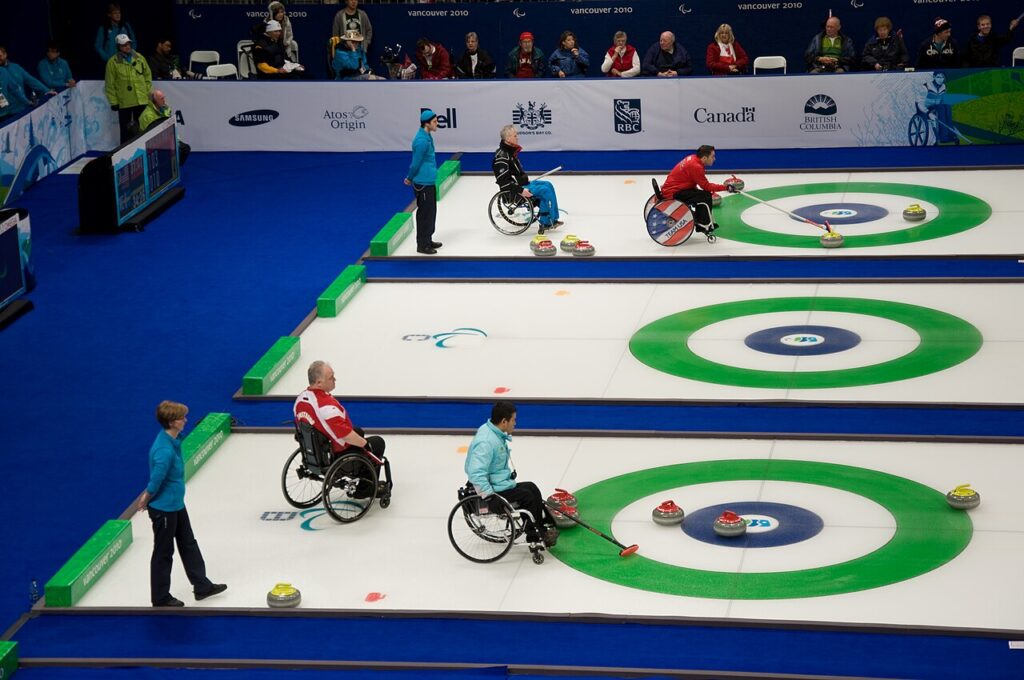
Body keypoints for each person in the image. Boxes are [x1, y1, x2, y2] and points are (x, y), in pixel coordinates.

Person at [136, 401, 227, 608]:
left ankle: (201, 586)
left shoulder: (173, 440)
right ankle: (160, 597)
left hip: (176, 504)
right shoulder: (164, 451)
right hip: (164, 510)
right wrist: (146, 498)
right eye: (182, 418)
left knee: (188, 544)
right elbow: (156, 480)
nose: (185, 420)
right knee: (163, 553)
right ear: (171, 422)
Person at [464, 401, 559, 548]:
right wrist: (489, 496)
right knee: (527, 497)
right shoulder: (486, 442)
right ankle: (534, 535)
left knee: (532, 488)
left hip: (499, 483)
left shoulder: (495, 434)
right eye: (513, 420)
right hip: (492, 490)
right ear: (504, 421)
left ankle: (541, 525)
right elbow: (476, 472)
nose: (515, 423)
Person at [293, 361, 386, 496]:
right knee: (376, 443)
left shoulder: (300, 401)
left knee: (358, 431)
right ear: (319, 383)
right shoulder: (326, 407)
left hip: (314, 451)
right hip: (334, 455)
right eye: (331, 378)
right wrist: (366, 445)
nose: (335, 379)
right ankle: (366, 489)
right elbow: (346, 435)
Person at [492, 124, 561, 235]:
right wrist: (521, 191)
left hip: (523, 184)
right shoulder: (502, 157)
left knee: (548, 185)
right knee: (545, 190)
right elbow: (503, 182)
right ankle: (546, 222)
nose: (517, 137)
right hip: (515, 191)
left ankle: (553, 218)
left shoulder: (510, 152)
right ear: (508, 139)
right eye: (515, 135)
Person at [660, 145, 734, 236]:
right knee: (705, 196)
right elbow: (706, 186)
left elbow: (692, 181)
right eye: (712, 156)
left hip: (672, 188)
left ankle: (700, 219)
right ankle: (703, 224)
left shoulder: (692, 158)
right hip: (673, 193)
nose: (714, 159)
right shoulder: (696, 166)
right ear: (704, 157)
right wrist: (725, 187)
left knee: (701, 194)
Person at [404, 110, 443, 255]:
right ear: (426, 124)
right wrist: (409, 177)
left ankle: (428, 239)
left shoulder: (427, 135)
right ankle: (422, 244)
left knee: (431, 211)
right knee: (425, 213)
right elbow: (415, 163)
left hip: (429, 180)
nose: (437, 124)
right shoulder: (421, 141)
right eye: (434, 122)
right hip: (423, 182)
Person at [104, 34, 151, 143]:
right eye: (124, 45)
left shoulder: (139, 57)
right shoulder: (113, 62)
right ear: (118, 47)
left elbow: (147, 75)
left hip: (141, 99)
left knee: (142, 127)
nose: (127, 47)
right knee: (125, 130)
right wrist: (113, 101)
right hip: (124, 101)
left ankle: (142, 149)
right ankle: (124, 154)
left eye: (128, 44)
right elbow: (109, 84)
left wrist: (146, 90)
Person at [0, 46, 55, 120]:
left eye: (0, 56)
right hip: (5, 114)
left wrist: (47, 90)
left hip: (22, 109)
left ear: (5, 54)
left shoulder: (15, 67)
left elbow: (30, 81)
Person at [138, 89, 191, 165]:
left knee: (185, 149)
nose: (164, 101)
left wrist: (176, 140)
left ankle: (175, 168)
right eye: (161, 99)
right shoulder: (148, 116)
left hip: (166, 138)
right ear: (154, 101)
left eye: (164, 98)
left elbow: (170, 126)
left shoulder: (165, 110)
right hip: (154, 142)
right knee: (178, 151)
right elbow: (151, 136)